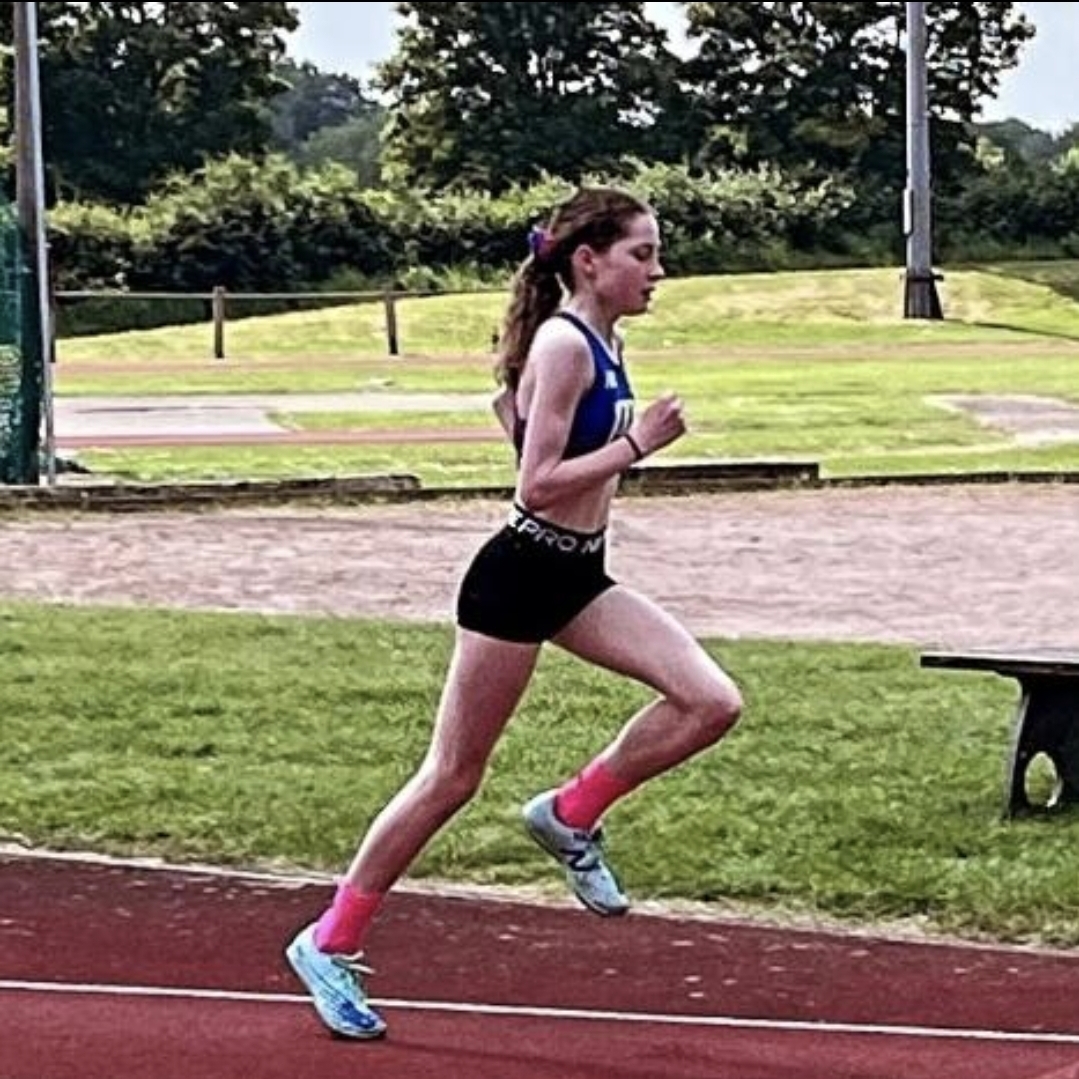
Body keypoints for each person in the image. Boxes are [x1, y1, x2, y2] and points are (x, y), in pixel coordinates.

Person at [285, 185, 743, 1039]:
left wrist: (573, 433)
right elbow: (534, 484)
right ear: (588, 261)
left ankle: (568, 812)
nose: (658, 271)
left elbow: (519, 421)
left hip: (578, 574)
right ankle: (328, 938)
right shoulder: (565, 344)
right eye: (642, 254)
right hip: (519, 577)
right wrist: (638, 444)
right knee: (451, 776)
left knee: (710, 701)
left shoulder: (601, 339)